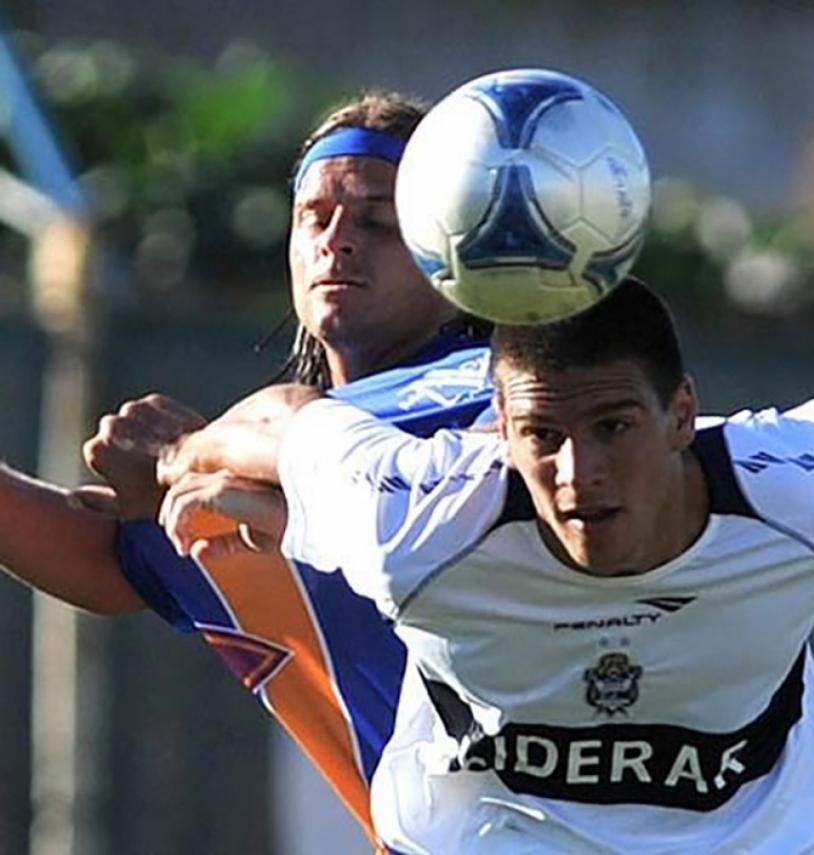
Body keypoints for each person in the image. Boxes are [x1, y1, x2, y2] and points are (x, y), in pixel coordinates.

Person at [159, 277, 814, 854]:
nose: (579, 472)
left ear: (682, 414)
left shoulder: (812, 493)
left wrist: (292, 513)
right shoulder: (420, 516)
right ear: (500, 432)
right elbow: (284, 420)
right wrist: (180, 455)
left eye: (614, 427)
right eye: (543, 434)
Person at [0, 88, 493, 846]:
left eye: (378, 220)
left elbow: (299, 423)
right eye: (313, 217)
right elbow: (107, 558)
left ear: (450, 243)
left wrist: (181, 458)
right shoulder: (272, 450)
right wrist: (188, 479)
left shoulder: (484, 395)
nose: (337, 240)